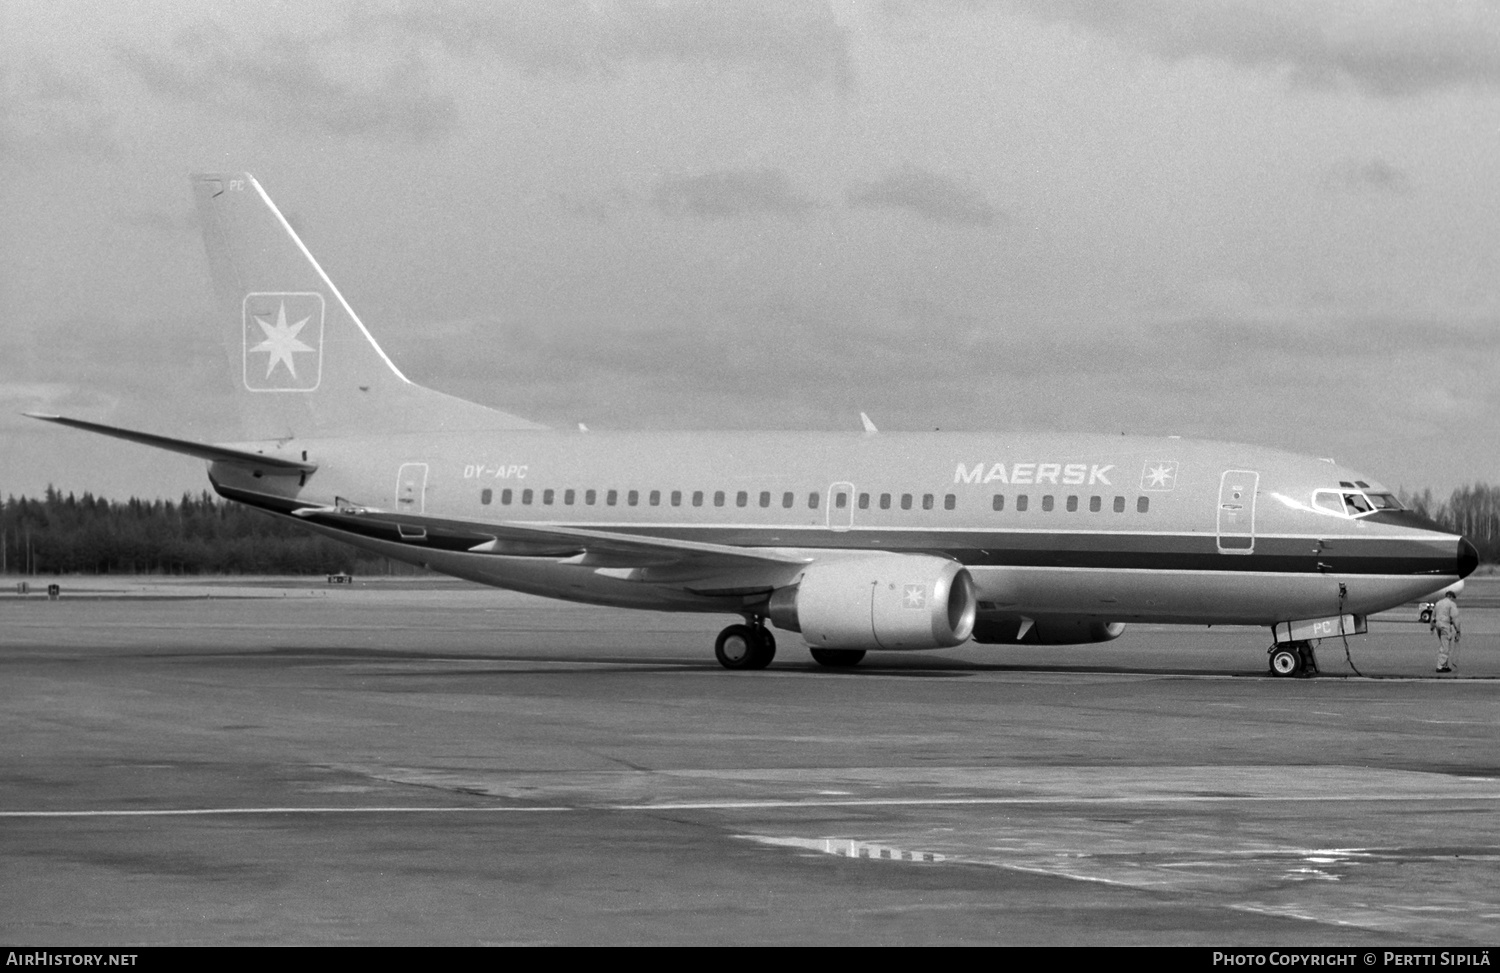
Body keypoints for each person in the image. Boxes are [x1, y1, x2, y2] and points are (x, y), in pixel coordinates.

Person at [1433, 589, 1461, 673]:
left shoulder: (1438, 603)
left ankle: (1445, 665)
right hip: (1445, 625)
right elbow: (1455, 617)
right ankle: (1440, 666)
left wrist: (1431, 627)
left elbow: (1433, 616)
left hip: (1438, 624)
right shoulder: (1451, 604)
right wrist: (1458, 630)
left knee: (1444, 643)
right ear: (1451, 597)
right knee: (1445, 645)